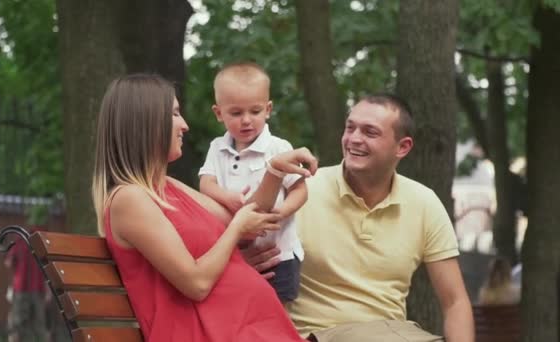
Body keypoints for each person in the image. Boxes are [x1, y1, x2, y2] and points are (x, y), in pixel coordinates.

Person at [91, 73, 317, 342]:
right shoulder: (130, 200)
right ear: (146, 123)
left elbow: (249, 220)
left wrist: (274, 170)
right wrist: (235, 230)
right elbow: (196, 283)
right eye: (175, 114)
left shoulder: (169, 186)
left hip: (249, 328)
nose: (184, 125)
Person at [244, 94, 475, 342]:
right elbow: (239, 238)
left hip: (392, 334)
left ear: (403, 147)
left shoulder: (424, 203)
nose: (354, 139)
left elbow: (455, 301)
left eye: (370, 132)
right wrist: (245, 260)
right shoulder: (301, 191)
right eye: (350, 127)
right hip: (314, 335)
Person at [199, 62, 307, 303]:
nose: (246, 120)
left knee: (277, 308)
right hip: (237, 251)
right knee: (241, 306)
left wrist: (280, 212)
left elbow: (300, 190)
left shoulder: (279, 148)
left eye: (255, 111)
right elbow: (206, 183)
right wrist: (226, 197)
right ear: (219, 113)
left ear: (268, 109)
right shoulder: (217, 148)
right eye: (236, 113)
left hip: (279, 253)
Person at [4, 230, 50, 342]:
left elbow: (9, 263)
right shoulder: (41, 243)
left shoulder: (19, 241)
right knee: (41, 326)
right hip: (38, 288)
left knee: (16, 326)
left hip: (21, 288)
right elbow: (47, 268)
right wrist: (48, 291)